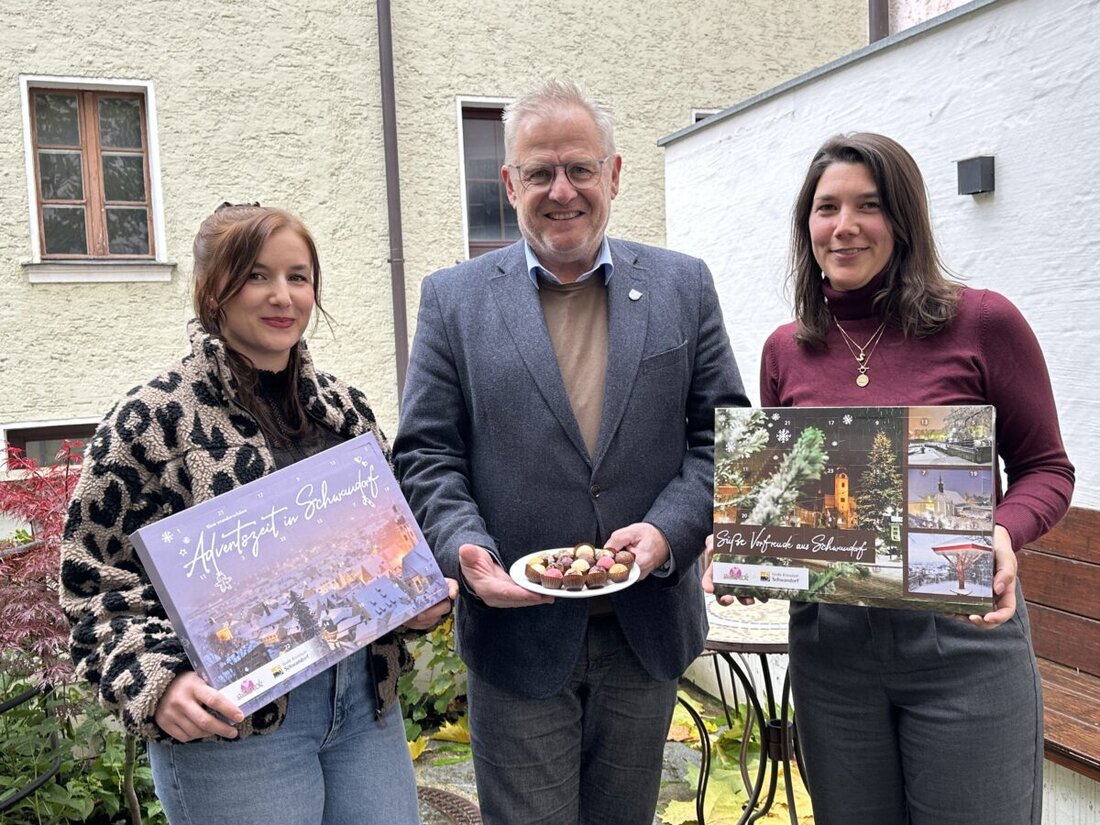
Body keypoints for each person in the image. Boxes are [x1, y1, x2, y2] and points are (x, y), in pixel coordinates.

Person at [392, 78, 748, 825]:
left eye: (580, 168)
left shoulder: (684, 285)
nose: (562, 190)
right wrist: (465, 546)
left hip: (644, 628)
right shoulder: (452, 300)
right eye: (541, 171)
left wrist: (667, 532)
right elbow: (428, 453)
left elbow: (720, 440)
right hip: (516, 635)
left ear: (613, 175)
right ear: (510, 183)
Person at [703, 133, 1074, 825]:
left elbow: (1047, 468)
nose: (844, 226)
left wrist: (1002, 530)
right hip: (830, 652)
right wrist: (744, 548)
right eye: (826, 207)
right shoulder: (786, 349)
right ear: (805, 225)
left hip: (963, 642)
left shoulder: (983, 322)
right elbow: (787, 500)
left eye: (868, 205)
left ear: (903, 219)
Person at [61, 203, 457, 825]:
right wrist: (156, 683)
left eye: (298, 277)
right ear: (213, 288)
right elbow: (92, 584)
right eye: (256, 276)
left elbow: (391, 547)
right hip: (236, 730)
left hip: (363, 703)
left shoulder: (345, 411)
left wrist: (416, 598)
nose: (282, 296)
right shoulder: (152, 419)